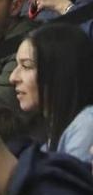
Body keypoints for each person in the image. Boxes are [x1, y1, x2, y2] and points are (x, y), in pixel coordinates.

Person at [9, 21, 93, 164]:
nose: (13, 78)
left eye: (27, 66)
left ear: (59, 72)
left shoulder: (87, 125)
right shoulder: (48, 131)